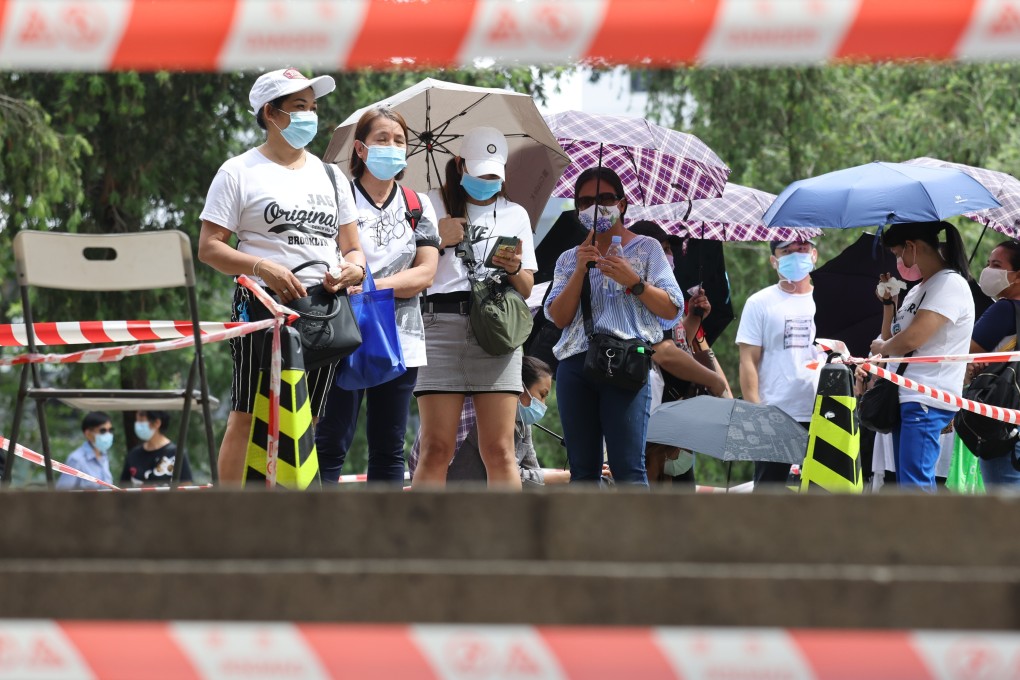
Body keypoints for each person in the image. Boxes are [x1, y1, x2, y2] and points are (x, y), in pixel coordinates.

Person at [197, 68, 366, 483]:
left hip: (324, 309)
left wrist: (352, 269)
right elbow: (209, 247)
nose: (310, 115)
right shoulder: (238, 171)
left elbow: (354, 247)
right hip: (262, 306)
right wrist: (261, 266)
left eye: (313, 107)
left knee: (309, 416)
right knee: (248, 412)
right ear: (271, 114)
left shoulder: (331, 175)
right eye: (299, 107)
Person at [314, 107, 440, 485]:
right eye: (382, 139)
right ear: (360, 149)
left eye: (399, 141)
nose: (392, 147)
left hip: (401, 339)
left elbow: (426, 273)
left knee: (389, 446)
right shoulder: (337, 198)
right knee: (330, 439)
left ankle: (380, 538)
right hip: (341, 335)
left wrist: (369, 283)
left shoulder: (418, 205)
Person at [412, 127, 537, 489]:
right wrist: (438, 239)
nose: (487, 181)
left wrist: (513, 266)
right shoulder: (428, 204)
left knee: (500, 450)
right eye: (480, 172)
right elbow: (409, 270)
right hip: (439, 323)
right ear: (460, 164)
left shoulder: (515, 213)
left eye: (493, 175)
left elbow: (527, 287)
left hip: (496, 331)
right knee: (435, 448)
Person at [545, 167, 684, 486]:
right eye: (586, 200)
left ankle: (635, 537)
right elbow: (559, 317)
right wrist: (581, 268)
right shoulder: (569, 258)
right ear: (578, 208)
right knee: (582, 472)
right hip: (576, 365)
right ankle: (586, 536)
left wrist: (634, 282)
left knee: (628, 469)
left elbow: (673, 311)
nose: (597, 206)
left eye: (606, 197)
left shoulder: (647, 248)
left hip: (627, 362)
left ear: (622, 203)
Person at [870, 221, 975, 493]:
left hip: (927, 395)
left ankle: (928, 535)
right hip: (904, 394)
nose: (898, 261)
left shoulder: (950, 284)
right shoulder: (917, 289)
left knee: (915, 483)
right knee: (909, 481)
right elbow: (892, 335)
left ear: (912, 247)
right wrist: (889, 305)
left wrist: (882, 348)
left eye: (896, 253)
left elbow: (911, 339)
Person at [736, 238, 822, 490]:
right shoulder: (760, 302)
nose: (795, 255)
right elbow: (748, 360)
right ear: (774, 260)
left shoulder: (827, 300)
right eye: (787, 251)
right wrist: (757, 411)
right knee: (769, 491)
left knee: (821, 490)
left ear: (814, 255)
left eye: (802, 249)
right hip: (775, 412)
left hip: (821, 411)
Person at [447, 357, 570, 486]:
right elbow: (510, 475)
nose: (543, 404)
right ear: (520, 388)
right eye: (542, 395)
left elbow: (532, 471)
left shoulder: (522, 423)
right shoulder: (485, 417)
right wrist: (563, 477)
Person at [969, 239, 1020, 487]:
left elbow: (967, 355)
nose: (988, 270)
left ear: (1017, 276)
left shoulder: (1005, 310)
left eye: (997, 265)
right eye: (988, 263)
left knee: (1005, 517)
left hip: (1003, 423)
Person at [120, 411, 192, 487]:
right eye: (137, 421)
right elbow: (123, 487)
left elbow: (186, 486)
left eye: (141, 421)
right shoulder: (133, 454)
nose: (137, 425)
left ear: (157, 423)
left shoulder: (176, 453)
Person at [56, 411, 115, 490]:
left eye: (110, 430)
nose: (108, 435)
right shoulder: (76, 459)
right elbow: (61, 494)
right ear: (88, 434)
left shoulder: (104, 456)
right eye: (103, 431)